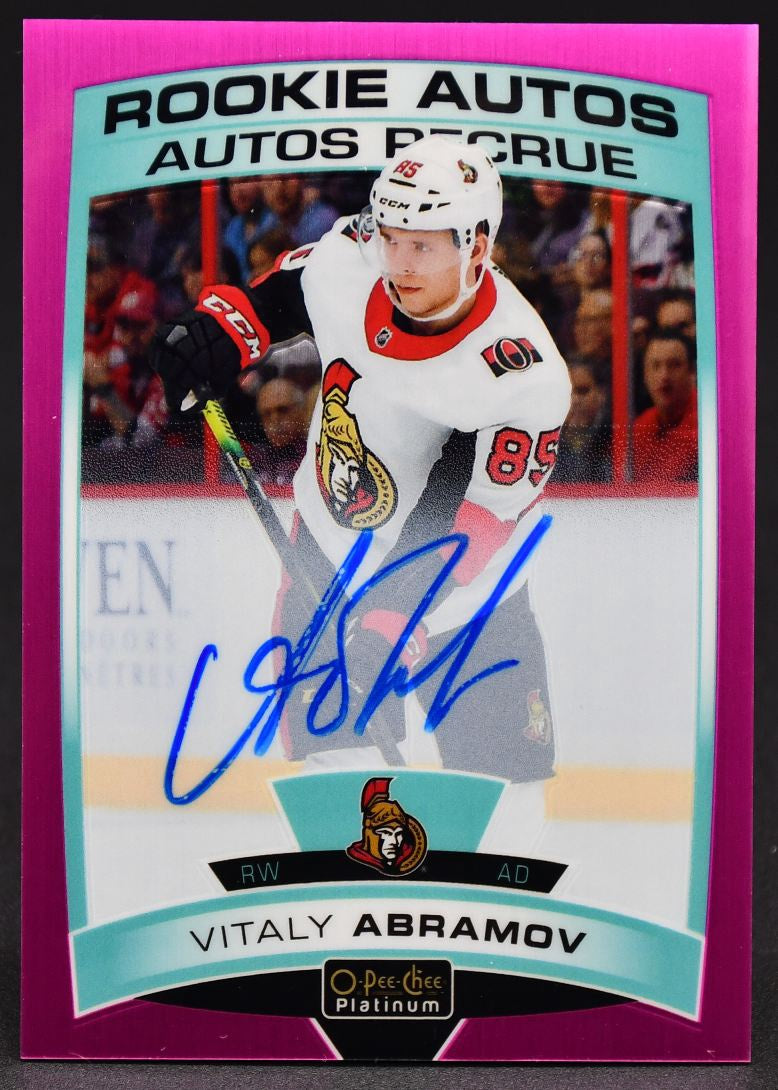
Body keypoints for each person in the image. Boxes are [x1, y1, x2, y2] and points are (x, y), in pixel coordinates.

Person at [152, 137, 570, 841]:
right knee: (339, 794)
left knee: (507, 811)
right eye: (392, 237)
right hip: (327, 556)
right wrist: (219, 334)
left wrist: (392, 614)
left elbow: (467, 515)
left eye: (423, 246)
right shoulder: (354, 257)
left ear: (476, 247)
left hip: (472, 598)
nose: (398, 263)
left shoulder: (523, 375)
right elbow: (288, 292)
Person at [633, 331, 697, 482]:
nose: (664, 376)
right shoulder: (638, 428)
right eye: (655, 366)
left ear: (692, 372)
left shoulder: (708, 425)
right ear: (645, 375)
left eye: (674, 365)